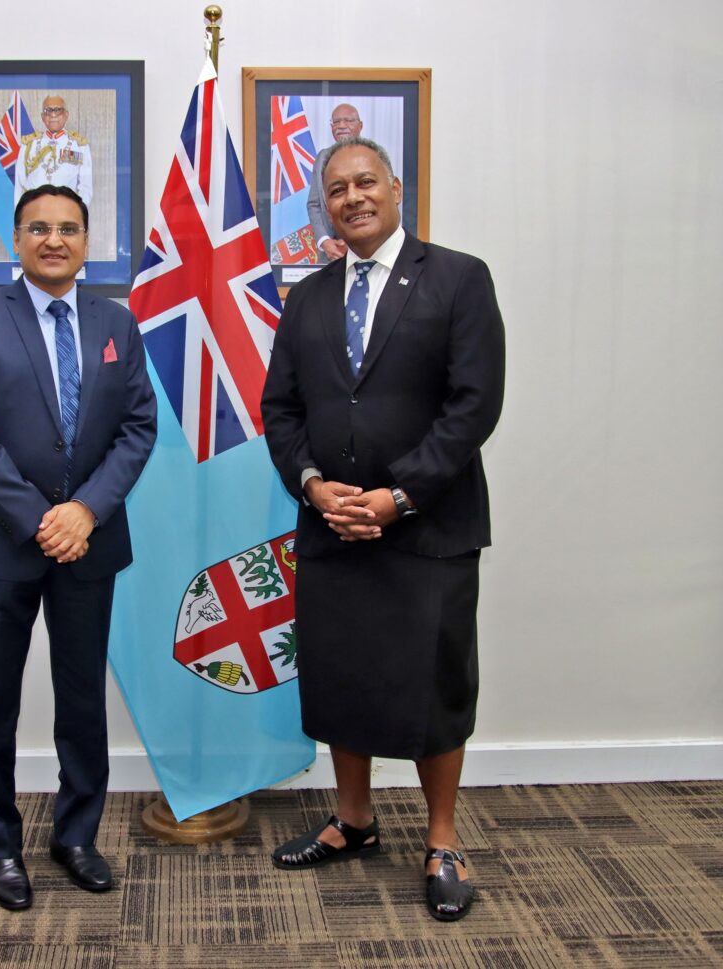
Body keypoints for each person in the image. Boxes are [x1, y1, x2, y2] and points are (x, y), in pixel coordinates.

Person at [261, 137, 505, 922]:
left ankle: (442, 840)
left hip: (428, 527)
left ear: (397, 189)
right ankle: (354, 819)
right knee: (342, 678)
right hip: (332, 525)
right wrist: (312, 485)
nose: (353, 197)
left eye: (366, 182)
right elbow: (281, 409)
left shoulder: (459, 278)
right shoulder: (306, 298)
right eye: (337, 189)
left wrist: (399, 496)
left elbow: (474, 405)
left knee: (436, 685)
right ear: (324, 207)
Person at [0, 185, 156, 909]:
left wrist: (85, 511)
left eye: (68, 228)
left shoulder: (117, 322)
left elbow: (138, 427)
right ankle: (1, 846)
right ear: (17, 239)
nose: (54, 239)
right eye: (39, 227)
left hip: (89, 543)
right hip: (0, 544)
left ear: (87, 242)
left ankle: (76, 836)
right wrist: (40, 518)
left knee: (82, 698)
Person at [305, 103, 363, 262]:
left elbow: (379, 206)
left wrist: (352, 241)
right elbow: (314, 204)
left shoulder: (373, 156)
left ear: (360, 125)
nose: (341, 126)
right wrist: (324, 241)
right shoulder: (322, 158)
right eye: (336, 122)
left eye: (348, 120)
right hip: (330, 256)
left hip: (364, 252)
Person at [14, 96, 93, 209]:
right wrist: (20, 215)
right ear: (42, 117)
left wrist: (77, 213)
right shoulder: (29, 144)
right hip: (36, 209)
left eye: (58, 110)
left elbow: (85, 186)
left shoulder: (79, 146)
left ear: (66, 115)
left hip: (65, 209)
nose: (53, 114)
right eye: (48, 110)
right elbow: (20, 184)